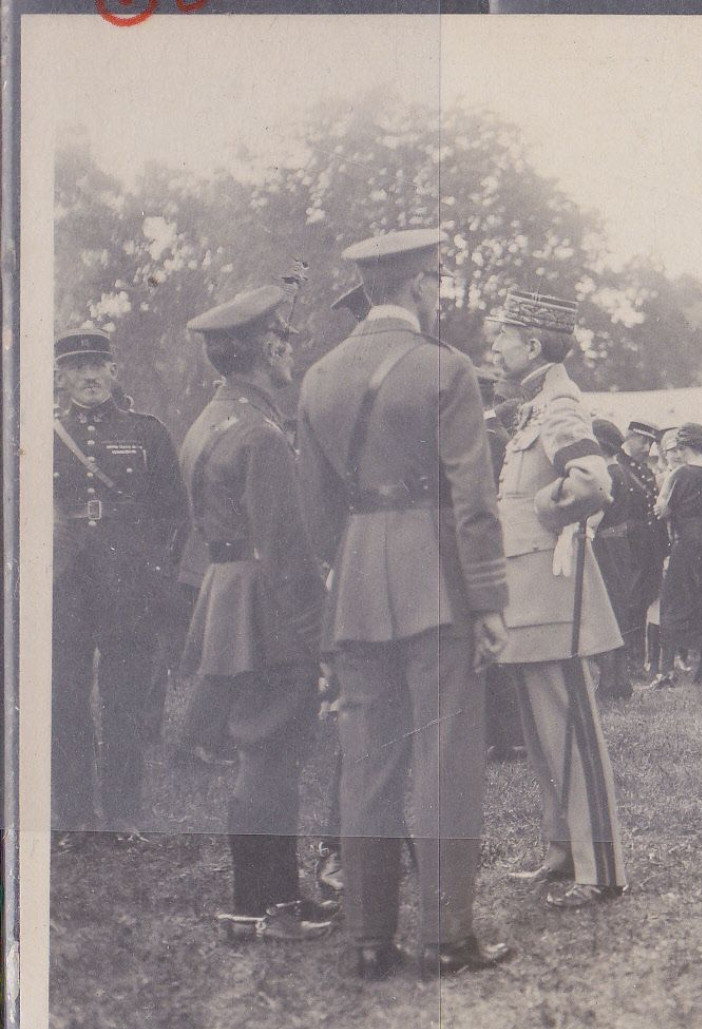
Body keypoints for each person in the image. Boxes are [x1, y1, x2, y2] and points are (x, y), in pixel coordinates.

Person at [298, 229, 512, 979]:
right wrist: (488, 601)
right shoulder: (445, 369)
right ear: (421, 285)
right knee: (446, 761)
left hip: (357, 583)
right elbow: (473, 501)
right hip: (438, 585)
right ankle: (447, 936)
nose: (439, 292)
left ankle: (368, 938)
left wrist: (351, 566)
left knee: (368, 764)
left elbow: (316, 511)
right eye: (437, 280)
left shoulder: (318, 376)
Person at [179, 285, 337, 940]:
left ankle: (272, 896)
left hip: (228, 598)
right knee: (272, 756)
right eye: (285, 340)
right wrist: (324, 638)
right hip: (266, 606)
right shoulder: (262, 433)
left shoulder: (209, 420)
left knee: (259, 752)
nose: (291, 352)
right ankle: (263, 906)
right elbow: (290, 555)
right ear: (266, 347)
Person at [487, 287, 628, 909]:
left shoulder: (560, 403)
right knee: (540, 729)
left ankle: (600, 870)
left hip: (552, 581)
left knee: (569, 728)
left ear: (533, 345)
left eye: (503, 337)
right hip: (527, 585)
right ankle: (561, 852)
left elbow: (593, 480)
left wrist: (542, 516)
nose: (493, 346)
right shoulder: (534, 404)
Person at [52, 327, 186, 841]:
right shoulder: (42, 435)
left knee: (124, 698)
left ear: (114, 370)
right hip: (67, 585)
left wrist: (155, 573)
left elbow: (174, 511)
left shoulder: (148, 433)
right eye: (76, 367)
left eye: (97, 365)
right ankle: (75, 816)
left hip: (128, 585)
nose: (88, 376)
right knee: (65, 696)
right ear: (61, 377)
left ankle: (124, 814)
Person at [648, 422, 702, 688]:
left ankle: (666, 671)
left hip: (687, 543)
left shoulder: (681, 474)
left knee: (674, 602)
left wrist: (660, 505)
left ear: (685, 447)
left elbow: (664, 510)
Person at [590, 418, 644, 701]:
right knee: (617, 607)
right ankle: (618, 680)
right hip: (618, 546)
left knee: (606, 608)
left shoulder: (608, 475)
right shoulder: (620, 471)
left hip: (605, 547)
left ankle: (610, 682)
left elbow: (595, 518)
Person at [619, 420, 667, 675]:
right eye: (643, 441)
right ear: (629, 437)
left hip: (649, 548)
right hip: (630, 546)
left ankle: (637, 660)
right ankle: (629, 660)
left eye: (650, 443)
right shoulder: (619, 468)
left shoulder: (644, 471)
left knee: (643, 601)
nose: (647, 448)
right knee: (631, 603)